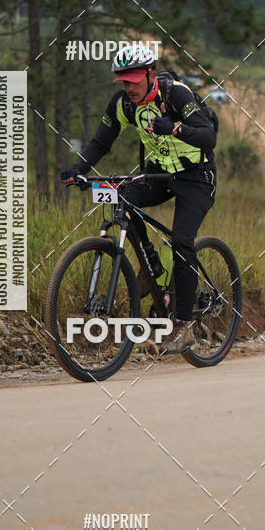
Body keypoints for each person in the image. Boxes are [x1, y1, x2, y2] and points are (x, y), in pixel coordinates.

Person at [60, 47, 217, 352]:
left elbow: (208, 136)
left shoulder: (176, 96)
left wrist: (174, 128)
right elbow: (101, 141)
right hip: (158, 174)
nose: (128, 87)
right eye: (123, 81)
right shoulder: (123, 104)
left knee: (183, 242)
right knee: (123, 200)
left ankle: (183, 324)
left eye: (133, 80)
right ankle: (152, 270)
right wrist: (79, 169)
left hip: (196, 176)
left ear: (149, 74)